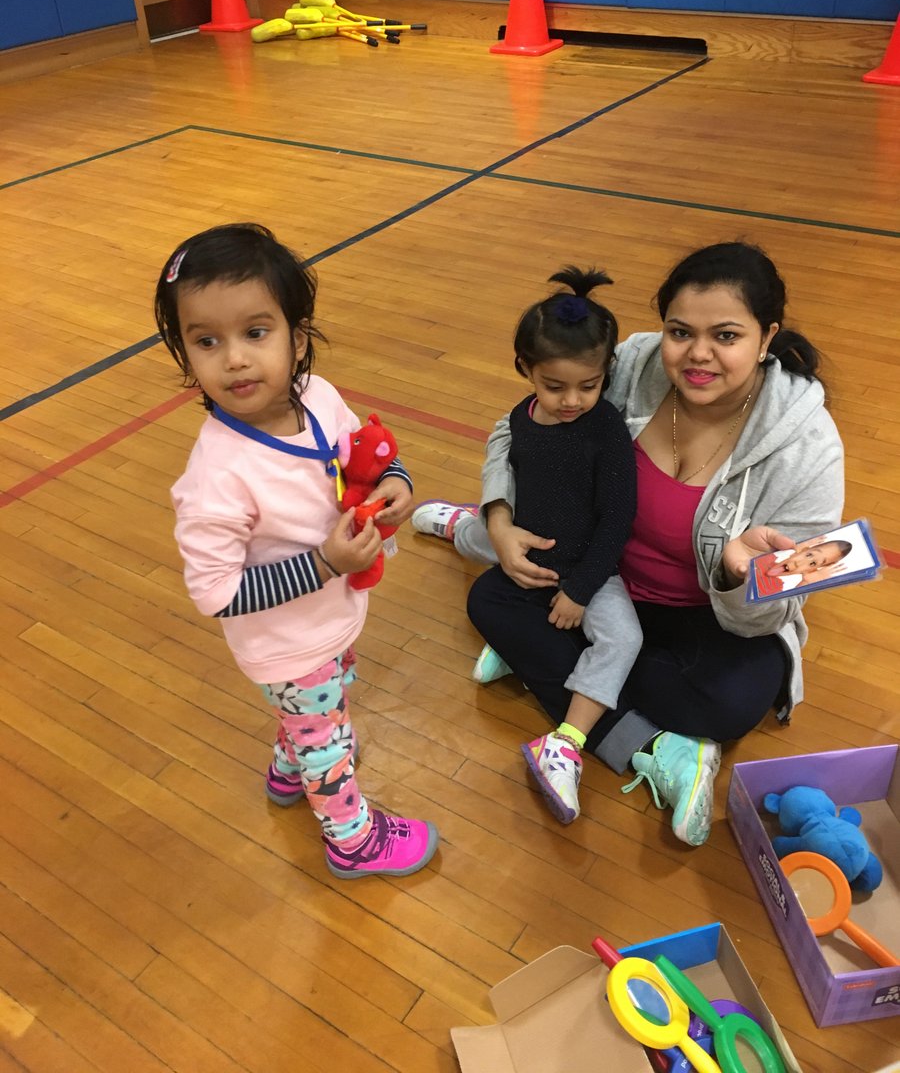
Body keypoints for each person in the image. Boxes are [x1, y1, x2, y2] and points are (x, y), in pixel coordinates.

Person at [415, 241, 843, 846]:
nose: (698, 355)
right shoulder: (630, 363)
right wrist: (500, 516)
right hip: (597, 570)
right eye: (680, 331)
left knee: (733, 700)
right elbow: (516, 427)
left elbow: (776, 610)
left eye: (726, 336)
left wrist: (734, 574)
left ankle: (557, 671)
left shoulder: (809, 446)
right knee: (490, 599)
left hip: (705, 614)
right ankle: (653, 741)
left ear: (766, 336)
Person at [154, 222, 439, 878]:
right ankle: (352, 840)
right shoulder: (216, 478)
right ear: (184, 352)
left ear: (297, 338)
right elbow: (215, 592)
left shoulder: (319, 398)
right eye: (206, 341)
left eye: (256, 332)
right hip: (287, 643)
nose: (234, 359)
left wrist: (395, 481)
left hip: (328, 617)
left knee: (328, 703)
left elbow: (360, 458)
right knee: (329, 745)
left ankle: (290, 762)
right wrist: (325, 565)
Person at [414, 267, 640, 825]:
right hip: (525, 540)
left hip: (585, 565)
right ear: (525, 370)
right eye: (555, 386)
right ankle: (456, 525)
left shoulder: (607, 431)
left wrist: (582, 589)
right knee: (480, 537)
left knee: (624, 637)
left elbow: (618, 519)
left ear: (606, 372)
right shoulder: (520, 416)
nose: (572, 401)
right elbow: (511, 475)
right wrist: (497, 523)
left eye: (588, 386)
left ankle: (566, 742)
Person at [752, 537, 851, 596]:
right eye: (809, 555)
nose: (798, 563)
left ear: (813, 570)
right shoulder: (772, 554)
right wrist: (795, 544)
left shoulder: (777, 587)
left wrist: (807, 582)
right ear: (804, 549)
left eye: (813, 563)